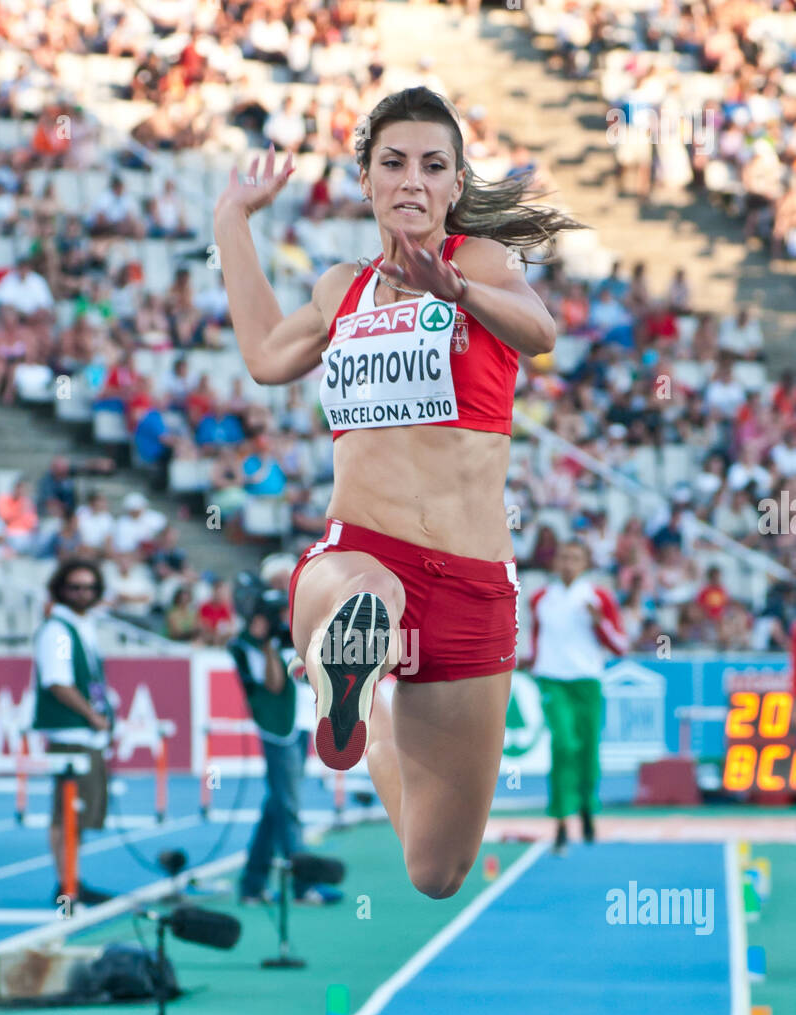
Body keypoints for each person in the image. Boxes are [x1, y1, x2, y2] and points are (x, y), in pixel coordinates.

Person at [213, 86, 576, 899]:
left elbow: (541, 333)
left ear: (453, 185)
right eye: (393, 163)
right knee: (365, 588)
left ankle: (362, 703)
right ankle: (353, 656)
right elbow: (268, 356)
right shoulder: (341, 288)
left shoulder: (480, 263)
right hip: (361, 553)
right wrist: (233, 221)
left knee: (435, 869)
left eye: (432, 166)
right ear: (368, 182)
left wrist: (455, 291)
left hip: (472, 588)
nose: (412, 179)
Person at [228, 575, 343, 907]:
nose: (280, 619)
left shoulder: (285, 638)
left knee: (276, 806)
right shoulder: (244, 645)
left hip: (298, 725)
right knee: (288, 806)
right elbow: (275, 685)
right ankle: (303, 885)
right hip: (277, 730)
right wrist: (266, 645)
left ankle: (252, 884)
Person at [529, 540, 628, 853]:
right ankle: (560, 820)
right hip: (553, 680)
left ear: (586, 563)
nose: (568, 562)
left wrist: (600, 622)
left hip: (587, 681)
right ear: (555, 562)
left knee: (587, 750)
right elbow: (535, 639)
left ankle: (586, 808)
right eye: (563, 557)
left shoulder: (598, 597)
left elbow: (621, 645)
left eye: (575, 557)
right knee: (563, 744)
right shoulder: (541, 598)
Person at [31, 558, 114, 907]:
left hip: (84, 732)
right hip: (72, 732)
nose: (83, 594)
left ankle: (72, 879)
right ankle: (66, 885)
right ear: (61, 589)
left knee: (80, 812)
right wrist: (92, 715)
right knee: (66, 811)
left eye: (89, 587)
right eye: (75, 587)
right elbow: (57, 681)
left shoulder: (81, 626)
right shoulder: (58, 631)